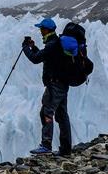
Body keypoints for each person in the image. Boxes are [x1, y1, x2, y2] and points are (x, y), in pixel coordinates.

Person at [22, 18, 72, 156]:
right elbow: (44, 56)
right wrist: (33, 47)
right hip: (62, 84)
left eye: (41, 29)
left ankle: (46, 145)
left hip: (54, 85)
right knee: (62, 115)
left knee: (46, 113)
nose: (40, 31)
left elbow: (35, 59)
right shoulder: (56, 44)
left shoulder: (52, 45)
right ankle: (66, 148)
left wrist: (25, 48)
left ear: (46, 30)